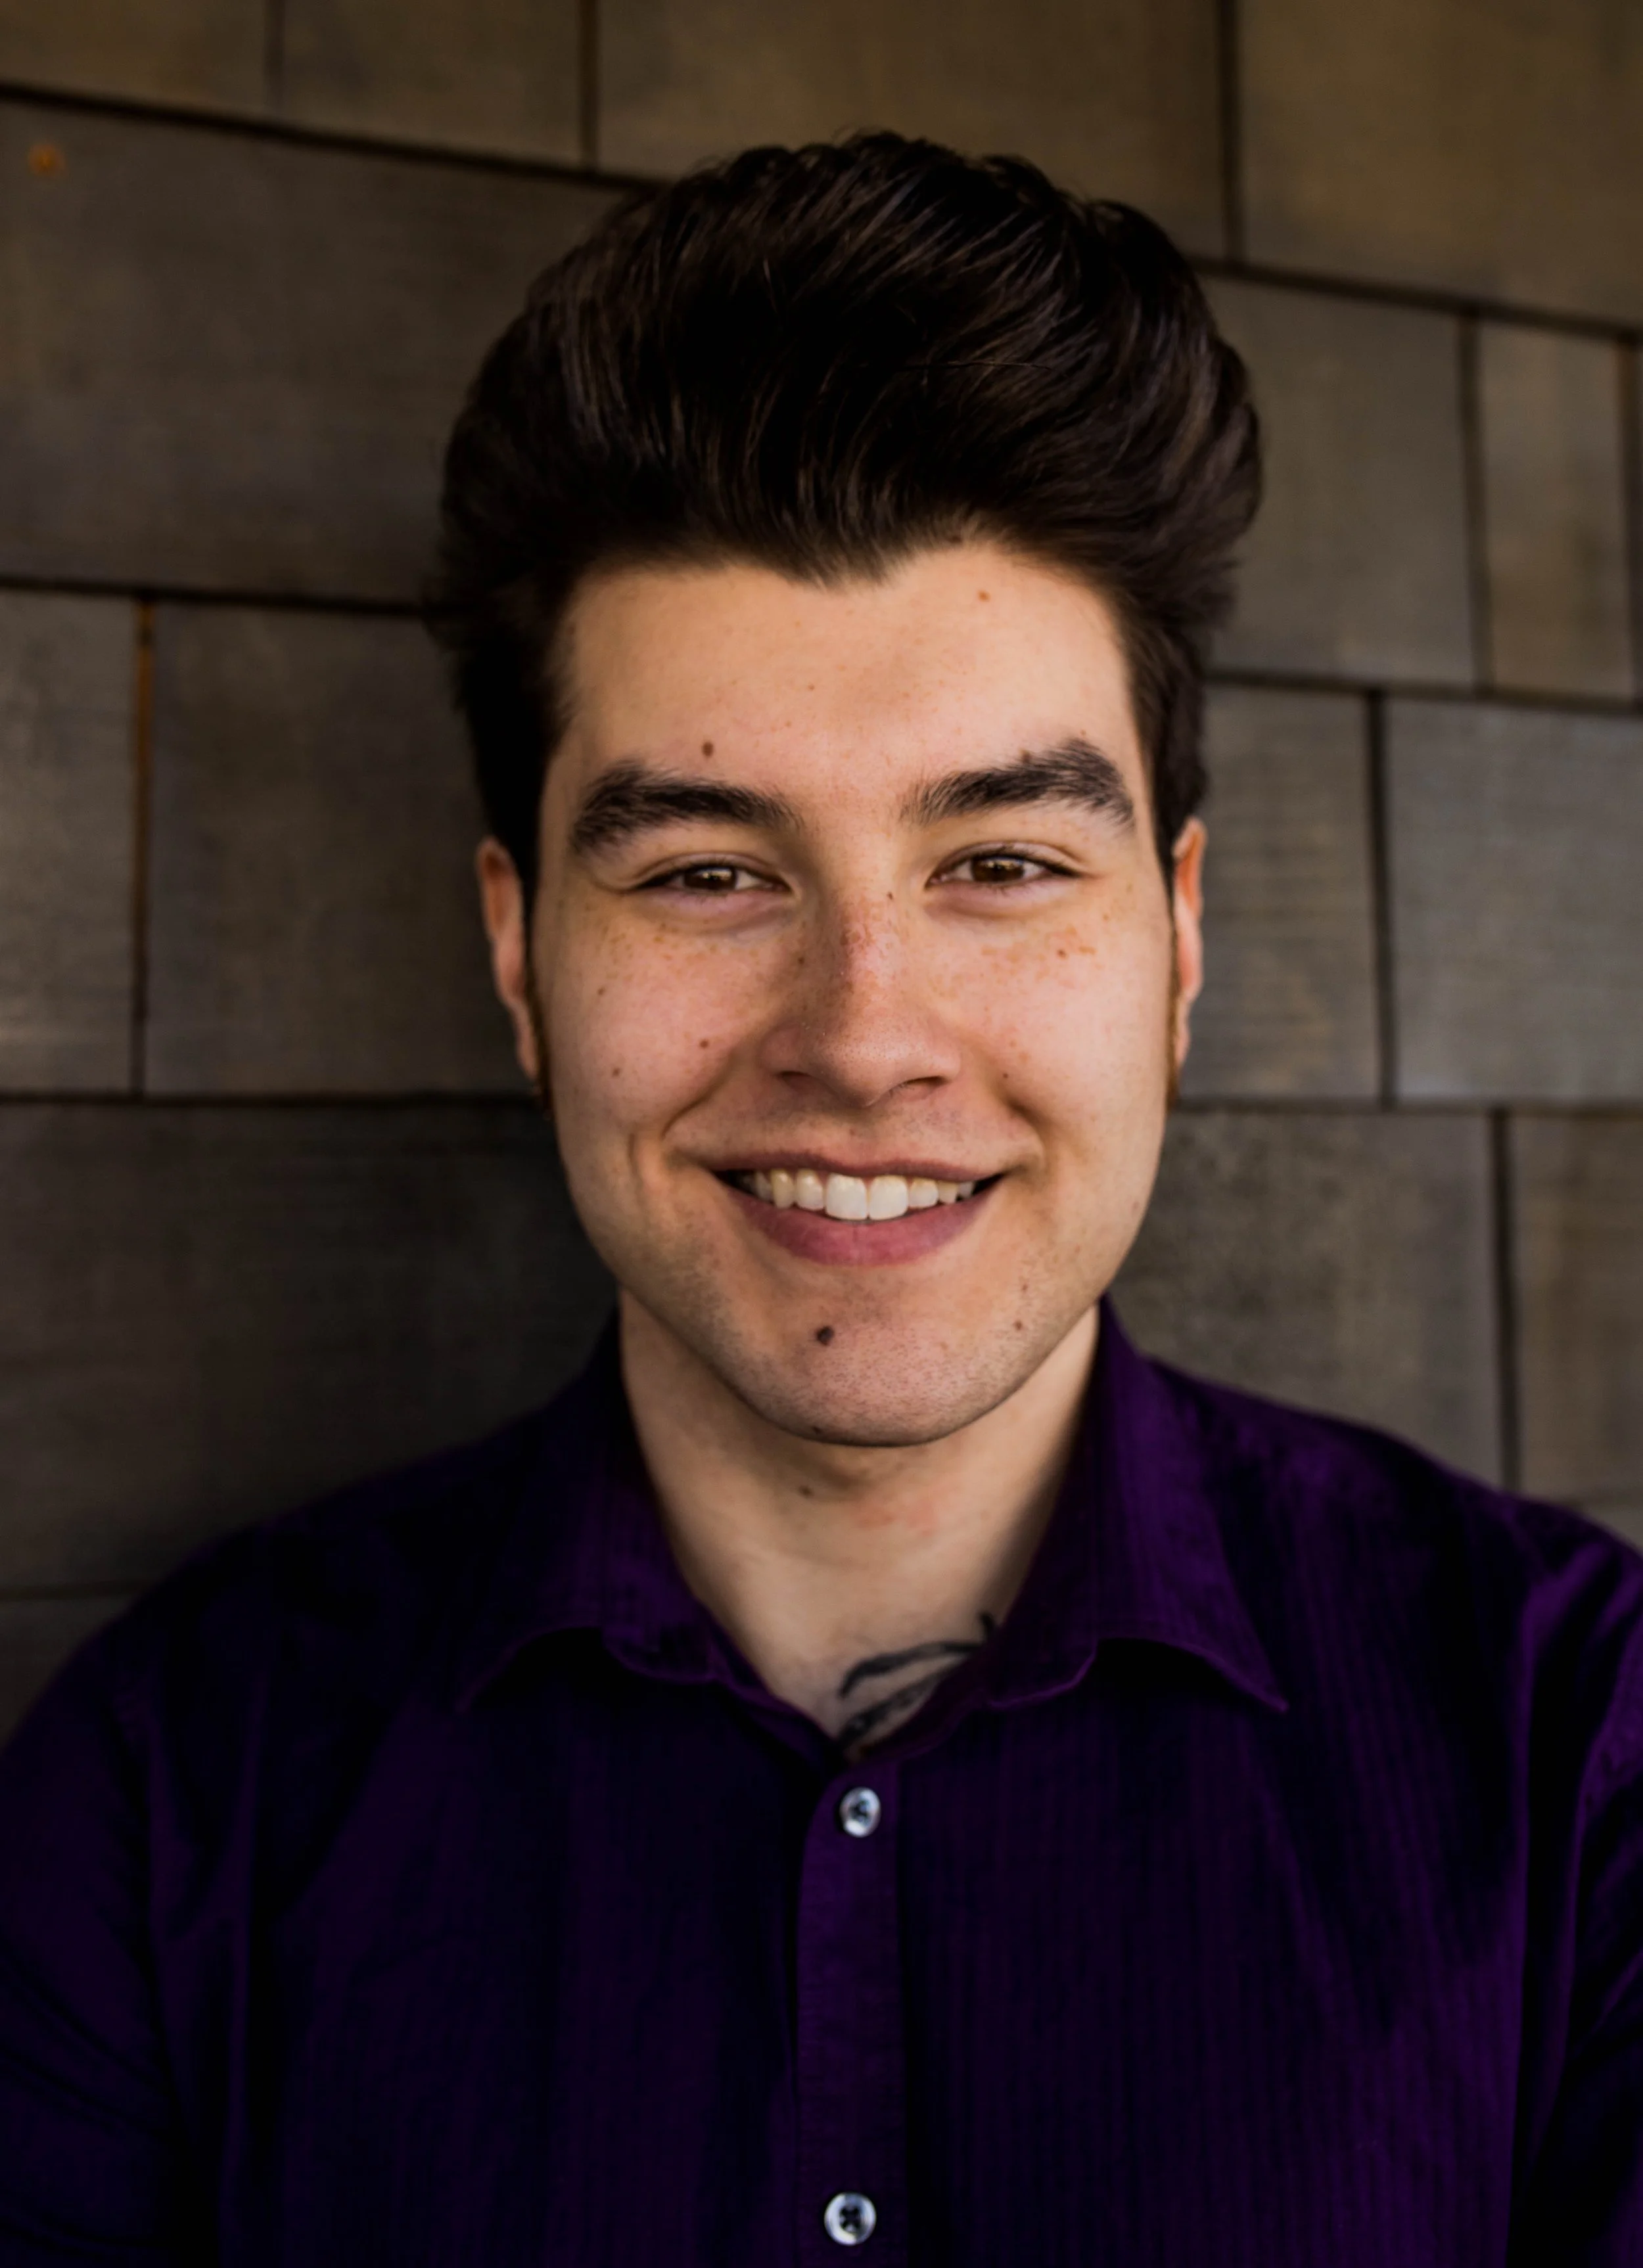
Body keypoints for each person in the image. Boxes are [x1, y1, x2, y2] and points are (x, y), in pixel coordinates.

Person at [0, 132, 1638, 2267]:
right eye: (705, 871)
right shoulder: (166, 1802)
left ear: (1178, 932)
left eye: (1001, 863)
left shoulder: (1574, 1742)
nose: (864, 1033)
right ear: (519, 953)